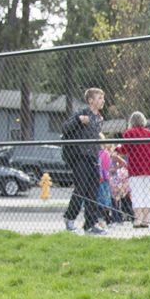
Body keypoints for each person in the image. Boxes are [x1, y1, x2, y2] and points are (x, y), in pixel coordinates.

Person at [61, 87, 106, 235]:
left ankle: (90, 224)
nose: (103, 100)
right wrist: (78, 120)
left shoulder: (99, 118)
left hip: (92, 157)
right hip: (79, 156)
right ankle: (70, 217)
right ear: (91, 101)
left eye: (102, 98)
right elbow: (65, 128)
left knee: (93, 189)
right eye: (99, 98)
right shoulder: (82, 113)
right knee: (81, 187)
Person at [118, 112, 150, 228]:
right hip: (149, 167)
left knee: (136, 194)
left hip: (136, 168)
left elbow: (124, 149)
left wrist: (117, 148)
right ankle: (146, 220)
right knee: (146, 193)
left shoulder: (129, 133)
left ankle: (138, 219)